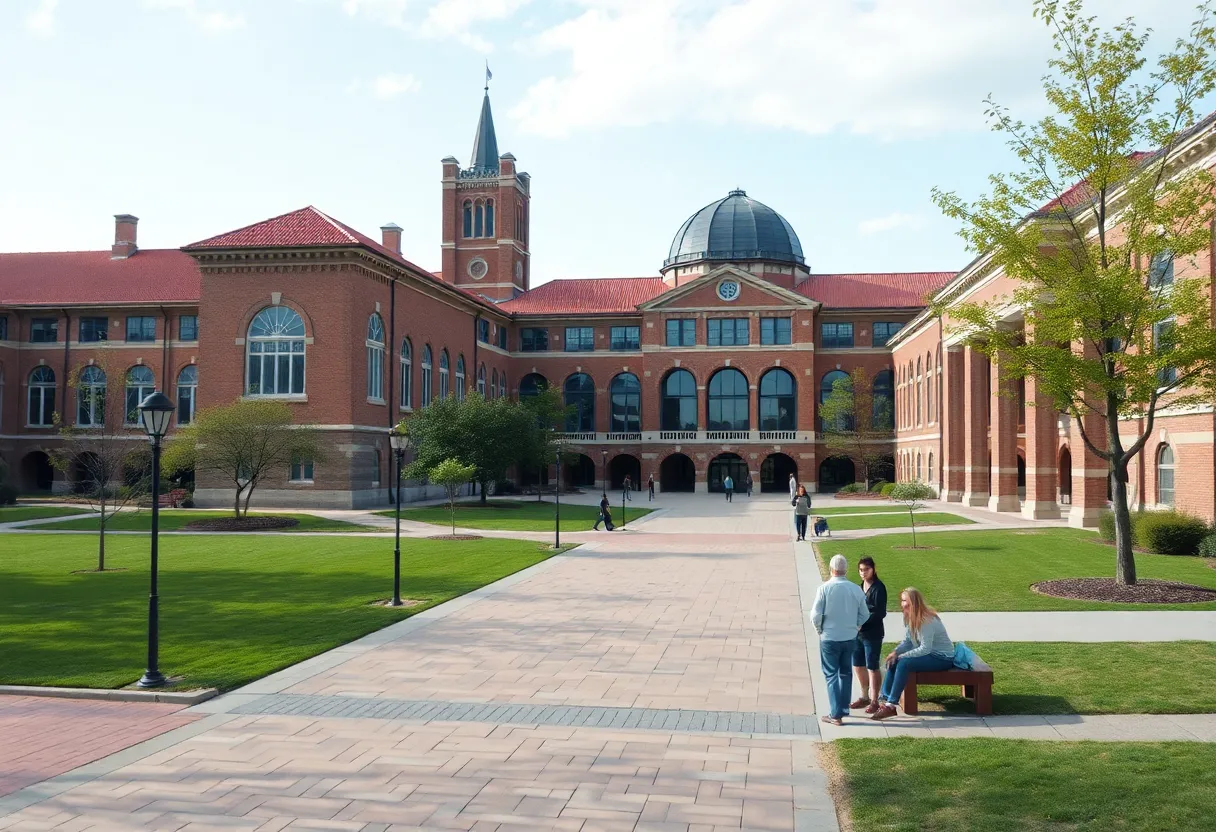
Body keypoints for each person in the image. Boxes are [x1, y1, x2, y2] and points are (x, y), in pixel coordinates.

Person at [871, 588, 955, 720]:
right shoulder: (910, 617)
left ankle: (891, 705)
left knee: (903, 663)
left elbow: (925, 649)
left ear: (913, 602)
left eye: (905, 601)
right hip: (930, 655)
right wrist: (895, 653)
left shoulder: (927, 620)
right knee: (894, 661)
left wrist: (902, 656)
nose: (902, 604)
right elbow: (908, 641)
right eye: (902, 600)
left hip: (942, 658)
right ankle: (885, 700)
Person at [811, 554, 870, 726]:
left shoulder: (824, 589)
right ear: (846, 570)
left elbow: (815, 615)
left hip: (830, 637)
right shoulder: (855, 589)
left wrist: (819, 629)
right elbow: (865, 613)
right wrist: (856, 626)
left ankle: (835, 714)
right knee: (845, 673)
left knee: (831, 675)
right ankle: (843, 708)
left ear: (831, 569)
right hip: (849, 637)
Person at [850, 557, 887, 714]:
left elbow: (880, 613)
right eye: (860, 570)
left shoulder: (879, 588)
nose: (863, 573)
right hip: (858, 634)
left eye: (866, 569)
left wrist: (862, 622)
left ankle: (874, 700)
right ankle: (864, 696)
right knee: (858, 665)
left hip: (872, 634)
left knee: (872, 666)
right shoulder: (860, 587)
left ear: (873, 569)